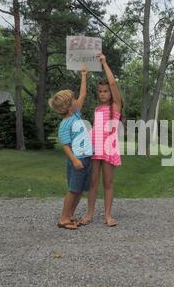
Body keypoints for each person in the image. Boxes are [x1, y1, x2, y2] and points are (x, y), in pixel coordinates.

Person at [78, 54, 123, 227]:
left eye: (106, 91)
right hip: (96, 149)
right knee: (93, 182)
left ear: (111, 93)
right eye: (101, 91)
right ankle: (89, 214)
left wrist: (104, 62)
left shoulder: (116, 106)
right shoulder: (97, 108)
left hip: (109, 149)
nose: (103, 94)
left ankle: (108, 215)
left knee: (108, 182)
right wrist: (84, 75)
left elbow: (113, 83)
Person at [48, 66, 92, 230]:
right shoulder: (65, 124)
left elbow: (83, 94)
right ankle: (63, 219)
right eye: (73, 100)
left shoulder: (76, 114)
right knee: (73, 190)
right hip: (77, 160)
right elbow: (65, 146)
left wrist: (84, 76)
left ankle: (71, 214)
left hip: (86, 158)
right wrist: (74, 160)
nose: (76, 100)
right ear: (68, 107)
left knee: (80, 190)